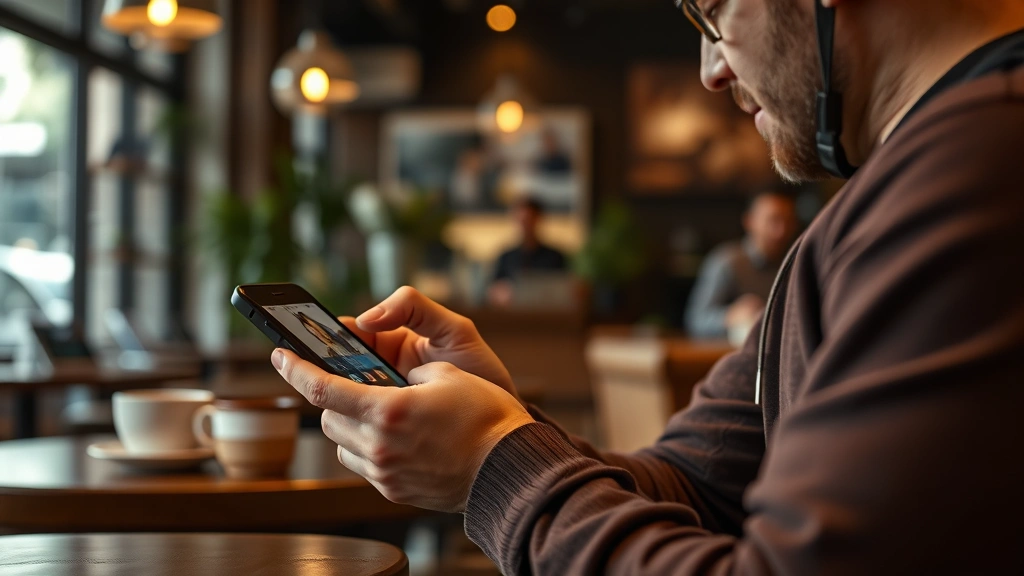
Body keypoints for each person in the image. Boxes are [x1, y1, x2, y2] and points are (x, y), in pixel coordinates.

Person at [271, 1, 1024, 573]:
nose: (709, 70)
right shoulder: (879, 204)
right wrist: (502, 425)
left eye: (711, 11)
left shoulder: (979, 171)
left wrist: (491, 463)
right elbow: (693, 489)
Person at [685, 190, 798, 340]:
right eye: (773, 220)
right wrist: (730, 316)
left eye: (788, 221)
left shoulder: (795, 263)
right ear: (749, 221)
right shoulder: (726, 262)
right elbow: (695, 321)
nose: (781, 231)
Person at [488, 197, 567, 307]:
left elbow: (563, 291)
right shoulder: (506, 257)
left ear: (538, 220)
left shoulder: (555, 257)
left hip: (546, 315)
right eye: (521, 220)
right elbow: (493, 290)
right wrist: (499, 293)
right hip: (513, 316)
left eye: (529, 220)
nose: (525, 226)